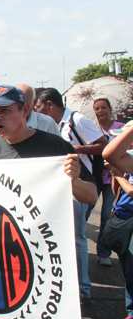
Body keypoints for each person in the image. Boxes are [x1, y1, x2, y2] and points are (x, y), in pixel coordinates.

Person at [0, 86, 97, 306]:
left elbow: (91, 197)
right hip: (12, 251)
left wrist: (73, 181)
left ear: (25, 110)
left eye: (5, 110)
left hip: (49, 251)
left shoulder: (55, 145)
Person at [35, 88, 107, 302]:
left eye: (38, 107)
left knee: (76, 239)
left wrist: (74, 149)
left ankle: (83, 291)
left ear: (49, 105)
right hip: (57, 192)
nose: (37, 111)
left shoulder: (78, 120)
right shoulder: (51, 125)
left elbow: (103, 145)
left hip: (77, 189)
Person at [103, 121, 133, 319]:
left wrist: (119, 176)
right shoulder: (127, 161)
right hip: (124, 221)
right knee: (128, 272)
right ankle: (131, 313)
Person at [88, 98, 125, 266]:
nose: (100, 111)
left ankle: (104, 253)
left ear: (110, 110)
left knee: (106, 216)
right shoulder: (92, 129)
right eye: (97, 108)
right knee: (84, 214)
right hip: (95, 177)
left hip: (115, 178)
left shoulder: (121, 129)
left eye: (103, 107)